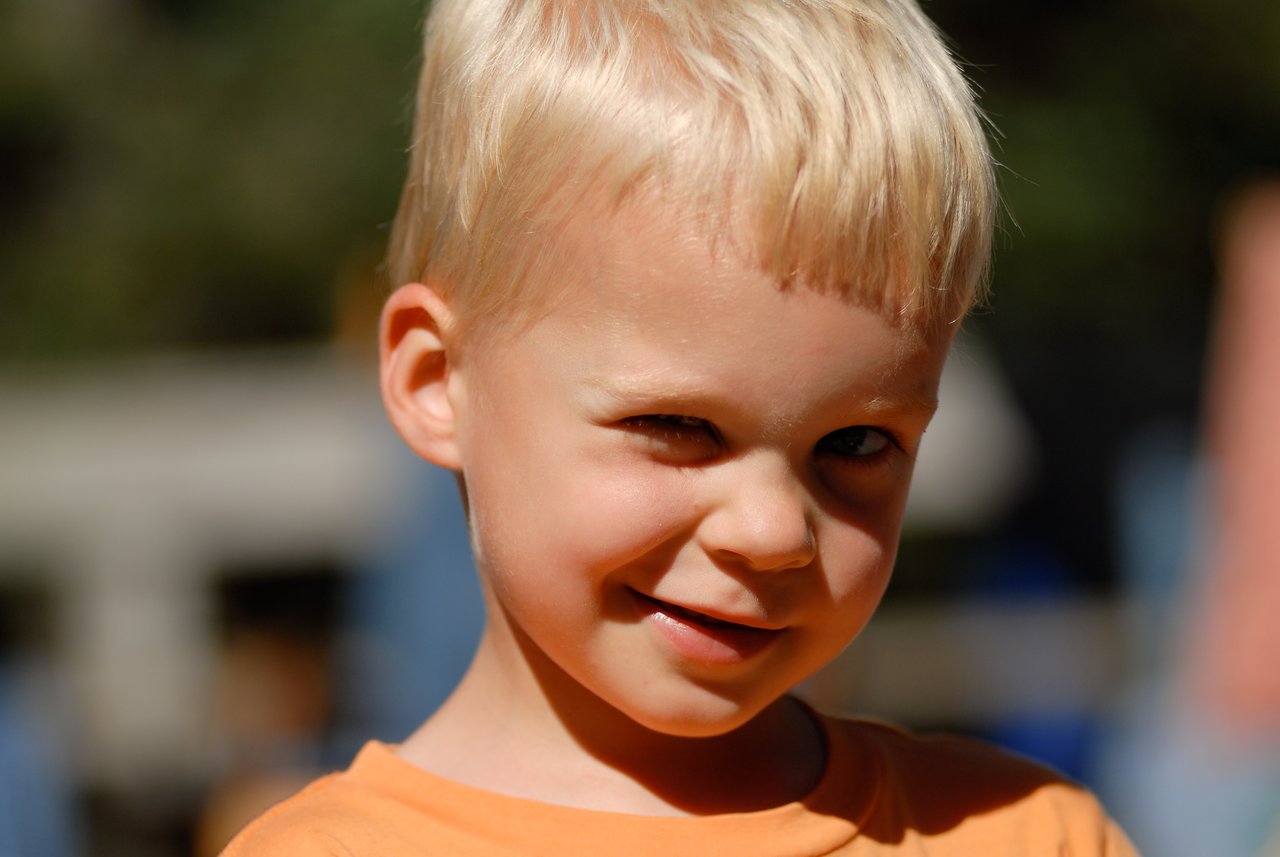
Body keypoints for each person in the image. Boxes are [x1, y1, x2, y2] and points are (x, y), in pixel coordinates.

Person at [221, 0, 1137, 853]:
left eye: (856, 444)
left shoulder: (1029, 833)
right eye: (680, 425)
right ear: (434, 382)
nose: (774, 531)